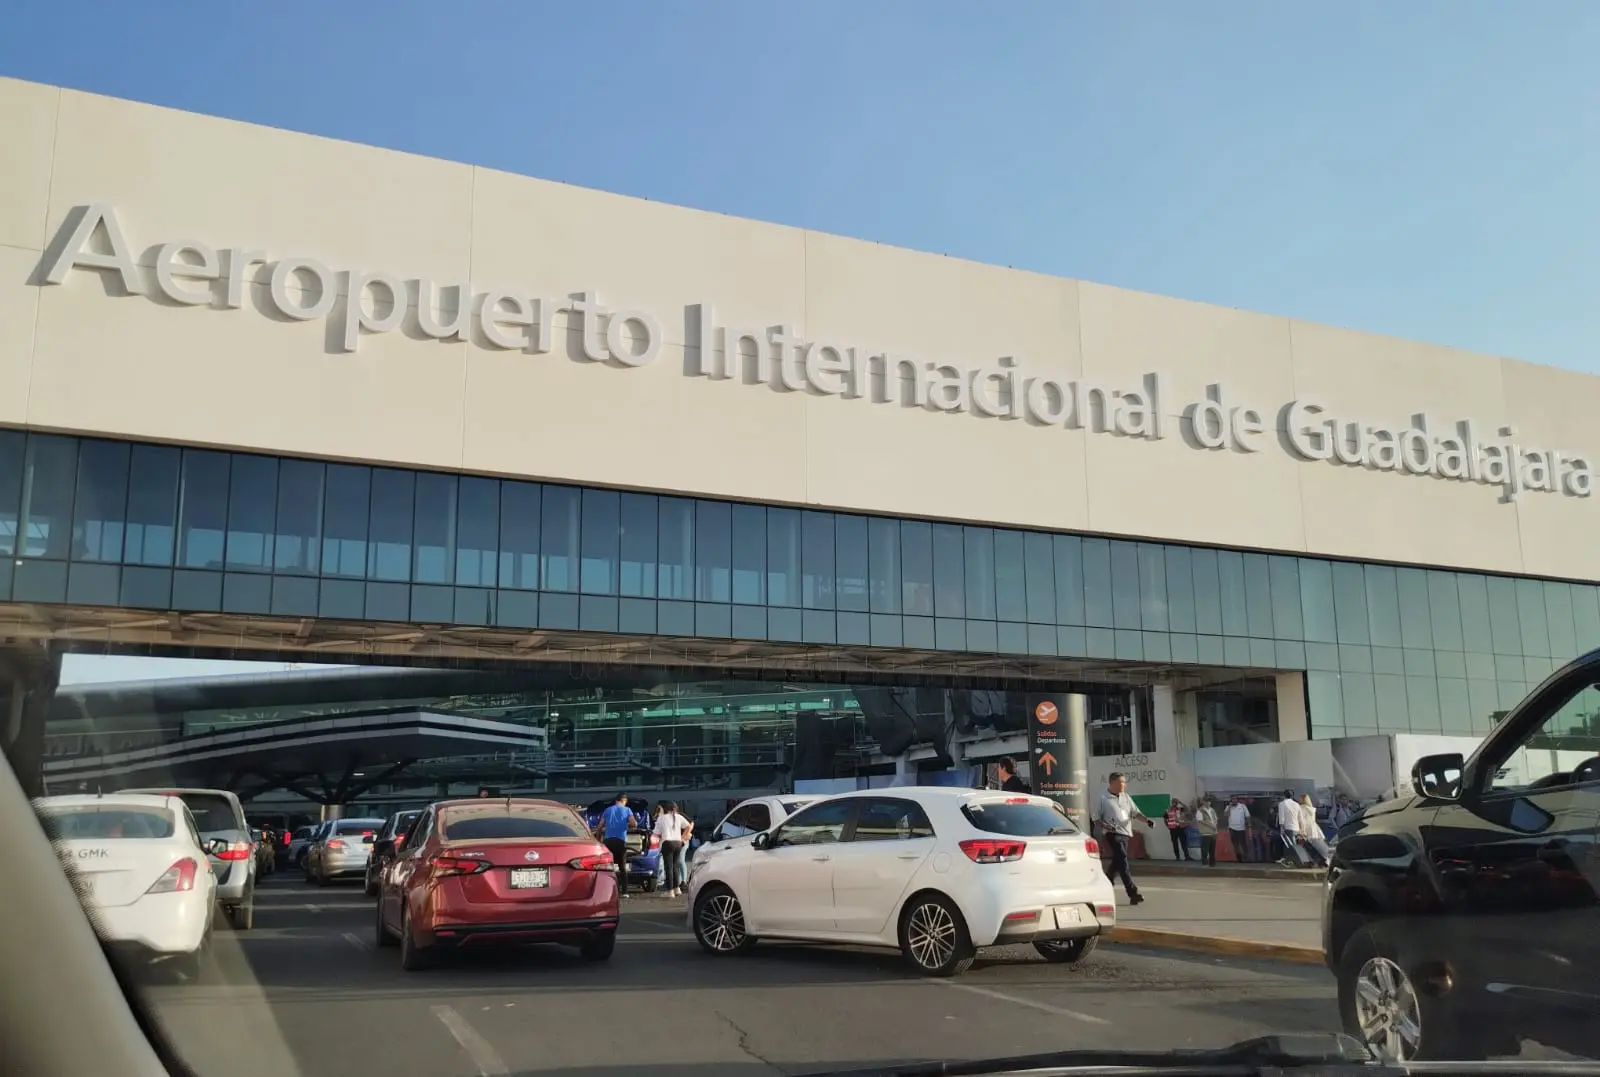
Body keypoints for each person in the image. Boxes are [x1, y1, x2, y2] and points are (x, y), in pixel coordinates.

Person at [1095, 772, 1154, 905]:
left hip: (1126, 833)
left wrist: (1146, 820)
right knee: (1123, 860)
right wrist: (1107, 826)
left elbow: (1135, 812)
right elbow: (1096, 818)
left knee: (1118, 862)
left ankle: (1106, 882)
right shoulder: (1103, 798)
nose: (1124, 784)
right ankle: (1133, 893)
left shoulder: (1126, 797)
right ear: (1113, 783)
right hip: (1112, 833)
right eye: (1122, 782)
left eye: (1124, 782)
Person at [599, 792, 635, 898]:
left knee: (607, 866)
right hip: (620, 841)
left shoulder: (607, 810)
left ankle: (607, 891)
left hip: (608, 841)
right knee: (622, 867)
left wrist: (598, 837)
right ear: (624, 801)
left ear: (616, 800)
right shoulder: (627, 810)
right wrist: (627, 825)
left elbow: (600, 826)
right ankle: (624, 892)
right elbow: (634, 824)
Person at [652, 800, 690, 899]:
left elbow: (656, 832)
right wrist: (683, 837)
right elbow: (688, 826)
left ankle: (670, 891)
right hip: (678, 843)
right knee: (675, 866)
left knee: (668, 868)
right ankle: (677, 888)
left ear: (665, 809)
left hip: (667, 843)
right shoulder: (679, 817)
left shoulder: (662, 818)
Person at [1276, 790, 1308, 867]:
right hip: (1296, 827)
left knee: (1288, 845)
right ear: (1292, 796)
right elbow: (1300, 818)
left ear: (1284, 796)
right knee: (1294, 845)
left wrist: (1282, 828)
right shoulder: (1297, 804)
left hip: (1287, 827)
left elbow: (1282, 817)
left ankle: (1290, 861)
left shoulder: (1282, 804)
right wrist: (1302, 829)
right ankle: (1290, 860)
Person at [1194, 797, 1219, 867]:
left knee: (1212, 849)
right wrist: (1211, 825)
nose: (1208, 803)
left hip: (1213, 832)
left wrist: (1215, 825)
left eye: (1209, 801)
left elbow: (1216, 819)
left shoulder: (1212, 810)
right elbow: (1201, 821)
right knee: (1205, 849)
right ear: (1203, 802)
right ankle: (1204, 862)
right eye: (1207, 801)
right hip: (1205, 832)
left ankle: (1212, 862)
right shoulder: (1200, 811)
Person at [1225, 796, 1251, 862]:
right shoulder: (1229, 807)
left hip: (1241, 828)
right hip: (1232, 828)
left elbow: (1247, 816)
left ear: (1237, 800)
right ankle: (1239, 858)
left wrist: (1249, 825)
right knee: (1235, 844)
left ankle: (1246, 857)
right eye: (1232, 799)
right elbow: (1225, 814)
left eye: (1235, 799)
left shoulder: (1242, 806)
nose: (1234, 800)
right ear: (1231, 800)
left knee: (1243, 844)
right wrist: (1229, 807)